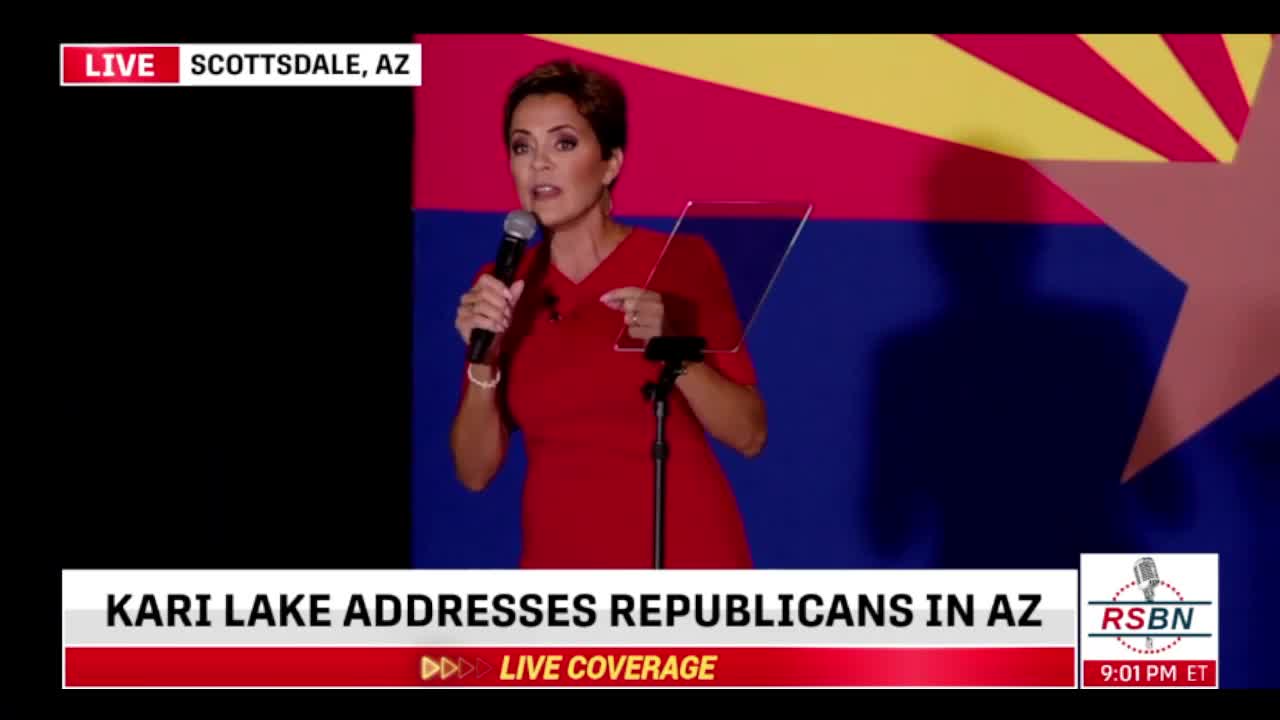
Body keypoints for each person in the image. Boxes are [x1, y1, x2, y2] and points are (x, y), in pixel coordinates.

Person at [450, 59, 767, 569]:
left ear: (611, 163)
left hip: (684, 562)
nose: (539, 164)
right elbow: (474, 472)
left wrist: (673, 353)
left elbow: (749, 434)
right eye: (522, 146)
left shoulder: (680, 262)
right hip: (561, 578)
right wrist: (482, 361)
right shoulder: (501, 284)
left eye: (564, 143)